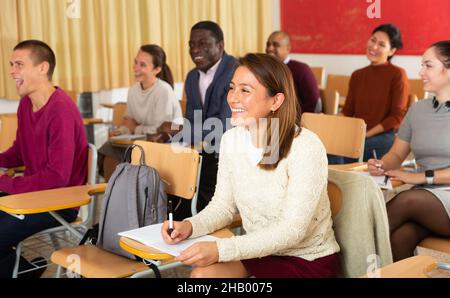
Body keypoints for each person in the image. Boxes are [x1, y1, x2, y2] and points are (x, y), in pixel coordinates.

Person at [161, 53, 340, 278]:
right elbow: (223, 207)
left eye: (245, 90)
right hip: (259, 252)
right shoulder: (230, 140)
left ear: (275, 101)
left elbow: (292, 231)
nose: (233, 98)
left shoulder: (305, 146)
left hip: (305, 258)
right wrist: (189, 226)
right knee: (201, 276)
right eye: (232, 88)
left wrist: (221, 250)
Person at [0, 40, 87, 277]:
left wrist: (5, 183)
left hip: (59, 203)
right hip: (34, 196)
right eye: (11, 64)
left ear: (43, 68)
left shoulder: (61, 110)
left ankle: (22, 272)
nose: (12, 71)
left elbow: (56, 178)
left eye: (19, 64)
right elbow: (19, 150)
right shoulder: (26, 104)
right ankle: (25, 271)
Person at [368, 40, 450, 262]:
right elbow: (396, 154)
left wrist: (417, 177)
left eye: (428, 65)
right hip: (427, 198)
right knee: (401, 238)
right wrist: (383, 164)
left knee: (406, 200)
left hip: (431, 195)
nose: (420, 71)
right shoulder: (417, 109)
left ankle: (355, 258)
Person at [98, 44, 183, 181]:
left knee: (118, 157)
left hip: (163, 144)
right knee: (110, 150)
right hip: (141, 142)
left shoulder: (163, 91)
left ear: (157, 69)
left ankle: (124, 197)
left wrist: (135, 127)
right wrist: (121, 131)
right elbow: (129, 122)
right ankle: (113, 196)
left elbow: (159, 131)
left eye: (142, 65)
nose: (136, 68)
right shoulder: (133, 90)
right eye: (135, 62)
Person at [182, 21, 237, 212]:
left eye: (203, 43)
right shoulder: (191, 77)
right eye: (191, 44)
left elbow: (224, 126)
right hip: (203, 149)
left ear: (220, 46)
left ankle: (199, 224)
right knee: (168, 170)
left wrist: (184, 133)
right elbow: (191, 119)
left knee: (194, 177)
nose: (195, 49)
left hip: (229, 151)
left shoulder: (235, 72)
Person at [338, 23, 409, 163]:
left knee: (342, 153)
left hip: (383, 135)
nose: (374, 47)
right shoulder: (357, 75)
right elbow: (347, 111)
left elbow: (396, 117)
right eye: (373, 40)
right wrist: (328, 121)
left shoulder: (398, 74)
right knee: (326, 147)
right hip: (357, 133)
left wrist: (365, 134)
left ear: (392, 51)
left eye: (382, 44)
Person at [266, 31, 321, 114]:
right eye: (268, 44)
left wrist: (290, 117)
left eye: (275, 45)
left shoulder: (301, 70)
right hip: (269, 117)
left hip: (293, 120)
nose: (270, 48)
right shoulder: (264, 69)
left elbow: (314, 105)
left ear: (288, 48)